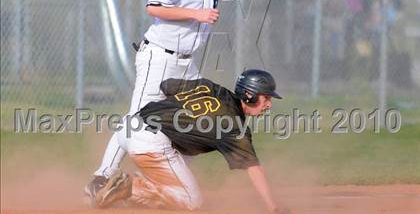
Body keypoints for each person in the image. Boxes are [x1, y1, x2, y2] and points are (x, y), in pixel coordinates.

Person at [85, 0, 282, 201]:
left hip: (186, 62)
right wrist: (196, 14)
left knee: (187, 120)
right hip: (159, 56)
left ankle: (160, 180)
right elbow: (154, 7)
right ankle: (101, 176)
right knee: (137, 119)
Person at [93, 69, 289, 213]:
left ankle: (130, 189)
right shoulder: (233, 125)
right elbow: (253, 168)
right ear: (250, 94)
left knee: (183, 155)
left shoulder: (212, 88)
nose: (269, 104)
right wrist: (274, 208)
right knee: (191, 201)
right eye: (266, 97)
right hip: (150, 139)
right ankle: (129, 188)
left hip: (130, 125)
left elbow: (167, 85)